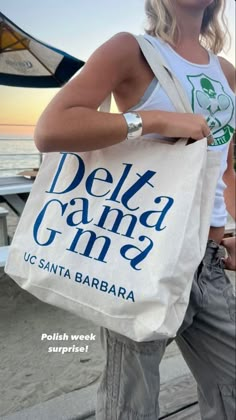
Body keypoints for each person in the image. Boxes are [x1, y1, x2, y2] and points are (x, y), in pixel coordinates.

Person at [34, 0, 236, 418]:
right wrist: (154, 120)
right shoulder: (132, 50)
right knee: (131, 404)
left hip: (209, 261)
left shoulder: (227, 72)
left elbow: (226, 168)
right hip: (143, 257)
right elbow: (52, 129)